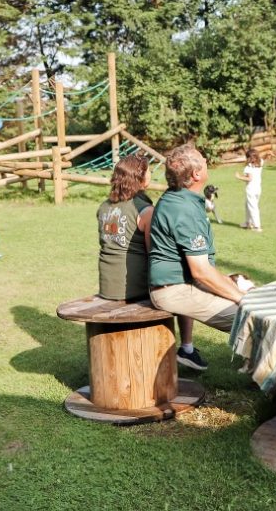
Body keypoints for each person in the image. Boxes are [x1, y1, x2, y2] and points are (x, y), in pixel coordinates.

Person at [148, 144, 252, 370]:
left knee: (252, 294)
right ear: (196, 174)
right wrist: (241, 298)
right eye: (203, 159)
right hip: (174, 290)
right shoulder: (183, 209)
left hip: (181, 284)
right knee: (255, 317)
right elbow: (201, 272)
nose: (206, 161)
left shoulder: (180, 198)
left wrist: (233, 285)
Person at [95, 154, 198, 357]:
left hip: (107, 285)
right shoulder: (145, 210)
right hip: (134, 288)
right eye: (149, 170)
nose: (151, 174)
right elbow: (155, 252)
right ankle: (187, 348)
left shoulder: (104, 207)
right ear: (140, 178)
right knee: (184, 282)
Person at [236, 148, 263, 232]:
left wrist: (239, 177)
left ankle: (257, 226)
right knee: (248, 205)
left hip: (251, 190)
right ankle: (248, 223)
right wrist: (268, 154)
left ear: (249, 158)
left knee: (253, 207)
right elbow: (262, 158)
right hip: (258, 189)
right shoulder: (260, 163)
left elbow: (249, 178)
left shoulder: (248, 168)